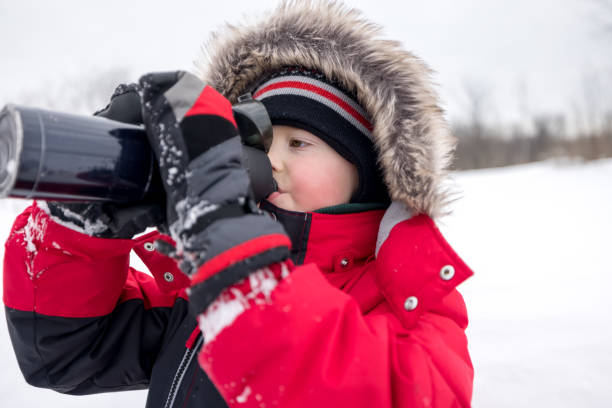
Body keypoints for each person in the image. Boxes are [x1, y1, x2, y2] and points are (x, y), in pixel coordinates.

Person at [3, 1, 474, 407]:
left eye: (299, 143)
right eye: (259, 144)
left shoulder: (410, 302)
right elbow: (64, 353)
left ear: (368, 173)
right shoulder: (199, 293)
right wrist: (82, 218)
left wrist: (229, 242)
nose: (273, 163)